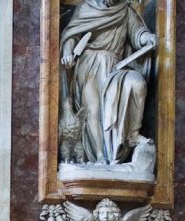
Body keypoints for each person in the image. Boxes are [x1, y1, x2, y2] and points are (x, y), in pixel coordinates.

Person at [60, 0, 157, 165]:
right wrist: (68, 51)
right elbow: (72, 34)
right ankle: (99, 157)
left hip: (116, 67)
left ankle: (132, 135)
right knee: (93, 108)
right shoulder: (85, 7)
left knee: (136, 83)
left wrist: (148, 37)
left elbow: (137, 33)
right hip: (89, 63)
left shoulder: (125, 10)